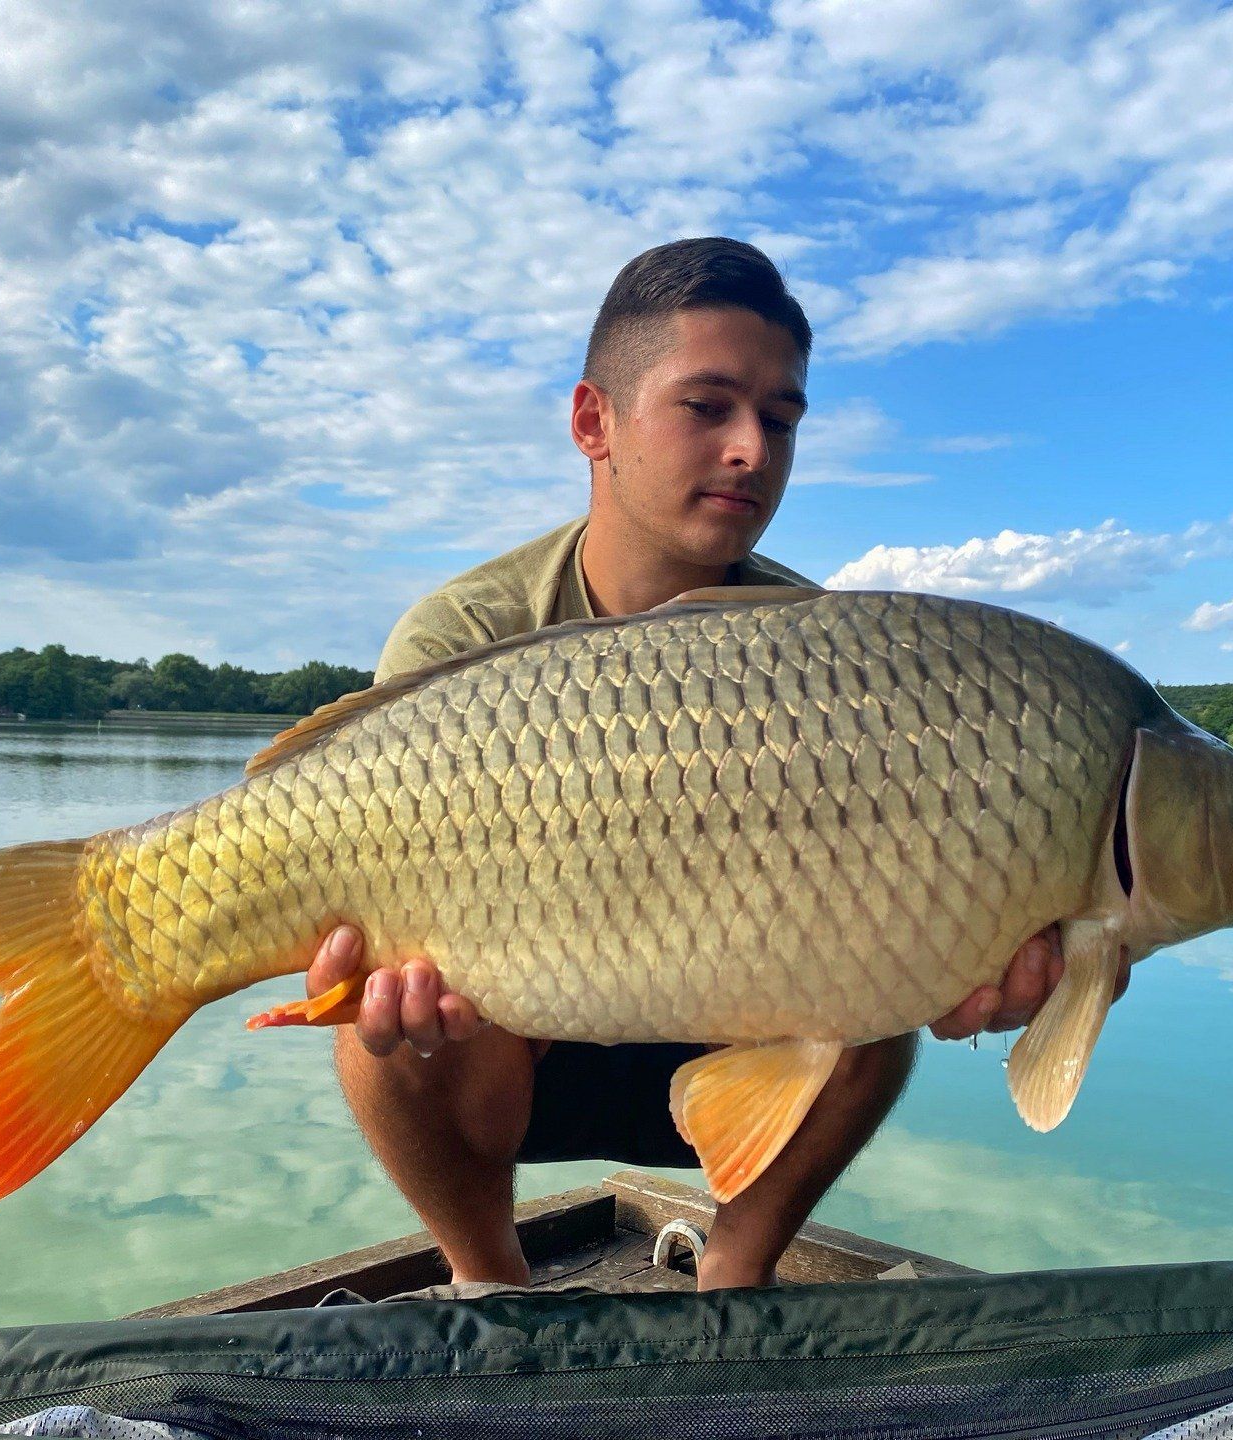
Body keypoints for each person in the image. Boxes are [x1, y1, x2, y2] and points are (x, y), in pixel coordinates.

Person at [294, 238, 1128, 1291]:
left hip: (740, 1047)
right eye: (709, 407)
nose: (751, 450)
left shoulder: (827, 649)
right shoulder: (466, 636)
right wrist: (376, 982)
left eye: (780, 420)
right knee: (383, 1032)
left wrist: (982, 966)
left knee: (873, 990)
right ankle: (490, 1285)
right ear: (593, 421)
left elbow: (907, 895)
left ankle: (734, 1281)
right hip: (515, 1050)